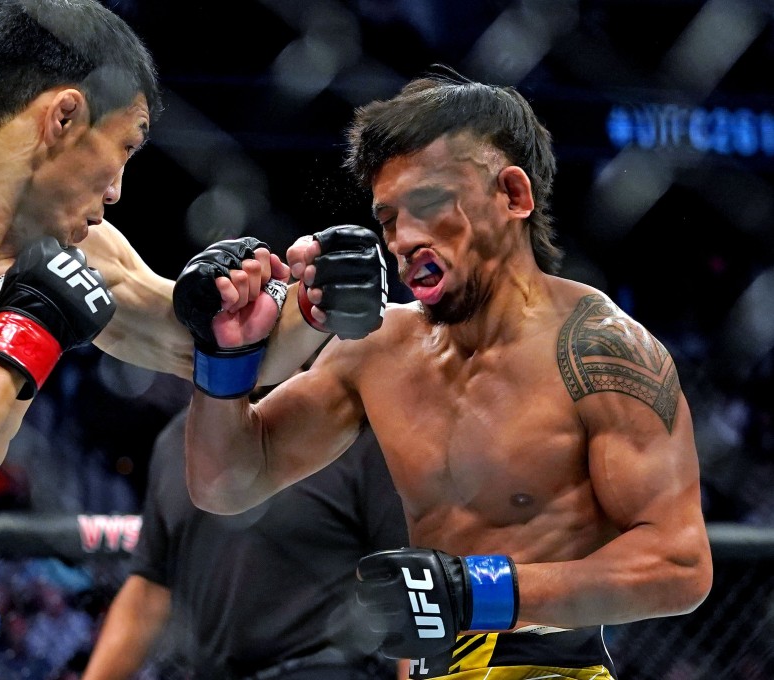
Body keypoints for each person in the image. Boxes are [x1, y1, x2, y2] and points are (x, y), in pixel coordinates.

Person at [0, 0, 382, 677]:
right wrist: (34, 323)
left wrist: (310, 302)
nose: (116, 190)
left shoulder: (83, 253)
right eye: (125, 146)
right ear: (63, 117)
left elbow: (211, 349)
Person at [173, 68, 714, 679]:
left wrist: (476, 592)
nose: (402, 239)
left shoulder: (598, 350)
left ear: (512, 196)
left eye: (429, 204)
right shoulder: (378, 346)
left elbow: (680, 566)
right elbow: (226, 484)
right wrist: (226, 359)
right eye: (388, 219)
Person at [81, 406, 409, 680]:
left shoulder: (353, 434)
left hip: (324, 668)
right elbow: (148, 591)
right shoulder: (176, 442)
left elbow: (406, 583)